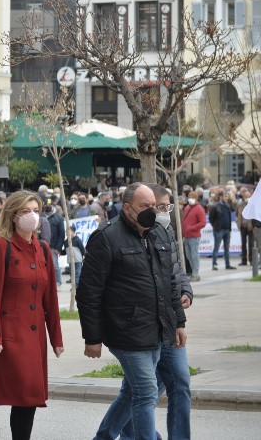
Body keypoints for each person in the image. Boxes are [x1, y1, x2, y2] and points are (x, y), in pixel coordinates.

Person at [77, 183, 187, 440]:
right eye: (144, 206)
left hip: (157, 328)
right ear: (128, 208)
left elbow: (170, 283)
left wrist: (179, 322)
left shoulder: (159, 234)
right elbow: (88, 292)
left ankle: (103, 437)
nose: (152, 211)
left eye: (154, 205)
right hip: (125, 331)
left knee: (134, 390)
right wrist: (92, 338)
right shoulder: (106, 237)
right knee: (147, 390)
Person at [112, 184, 194, 440]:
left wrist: (186, 292)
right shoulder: (117, 235)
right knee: (140, 391)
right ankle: (122, 434)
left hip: (168, 322)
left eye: (165, 207)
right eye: (157, 207)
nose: (161, 212)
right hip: (141, 325)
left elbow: (176, 270)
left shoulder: (165, 232)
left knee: (179, 383)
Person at [0, 190, 63, 440]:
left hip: (35, 333)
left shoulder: (43, 249)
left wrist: (56, 338)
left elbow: (50, 299)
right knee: (25, 395)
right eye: (26, 211)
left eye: (36, 211)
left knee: (29, 398)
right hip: (12, 333)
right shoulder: (1, 246)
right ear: (13, 216)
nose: (33, 216)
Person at [181, 190, 206, 281]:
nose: (190, 199)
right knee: (188, 255)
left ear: (196, 198)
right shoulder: (187, 207)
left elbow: (203, 223)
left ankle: (195, 273)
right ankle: (192, 272)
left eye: (192, 197)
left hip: (194, 236)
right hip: (186, 236)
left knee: (194, 255)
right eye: (189, 197)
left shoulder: (199, 209)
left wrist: (191, 228)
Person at [207, 190, 235, 270]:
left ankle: (227, 264)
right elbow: (211, 218)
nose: (226, 198)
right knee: (217, 247)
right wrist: (215, 226)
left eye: (227, 196)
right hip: (218, 230)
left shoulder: (228, 205)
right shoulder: (215, 206)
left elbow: (233, 209)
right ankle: (214, 264)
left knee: (227, 248)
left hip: (227, 230)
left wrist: (231, 200)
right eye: (225, 196)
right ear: (221, 197)